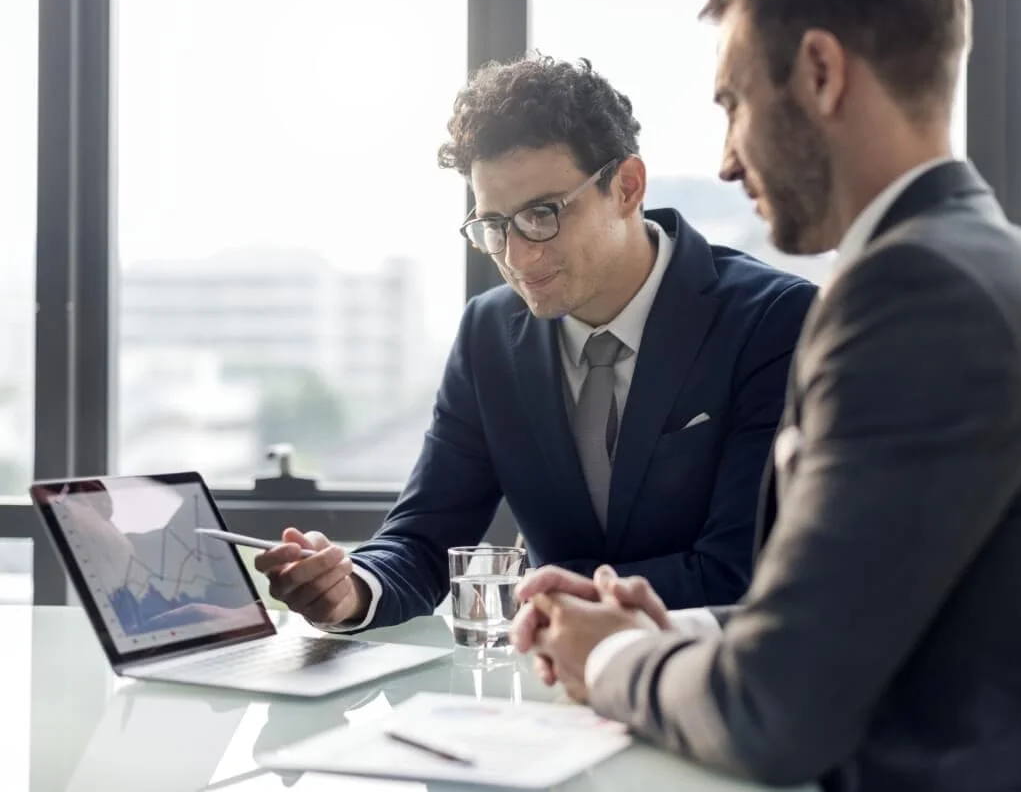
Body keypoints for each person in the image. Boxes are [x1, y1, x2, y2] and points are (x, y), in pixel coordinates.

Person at [510, 0, 1021, 790]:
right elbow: (873, 607)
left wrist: (614, 657)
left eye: (733, 102)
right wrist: (683, 634)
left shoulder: (917, 295)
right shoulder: (993, 263)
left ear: (820, 72)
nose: (727, 161)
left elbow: (776, 713)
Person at [253, 55, 816, 632]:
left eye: (542, 215)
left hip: (708, 683)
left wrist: (552, 601)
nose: (519, 257)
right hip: (546, 690)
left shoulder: (773, 321)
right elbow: (423, 538)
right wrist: (351, 588)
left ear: (626, 187)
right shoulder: (488, 334)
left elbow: (739, 572)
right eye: (494, 225)